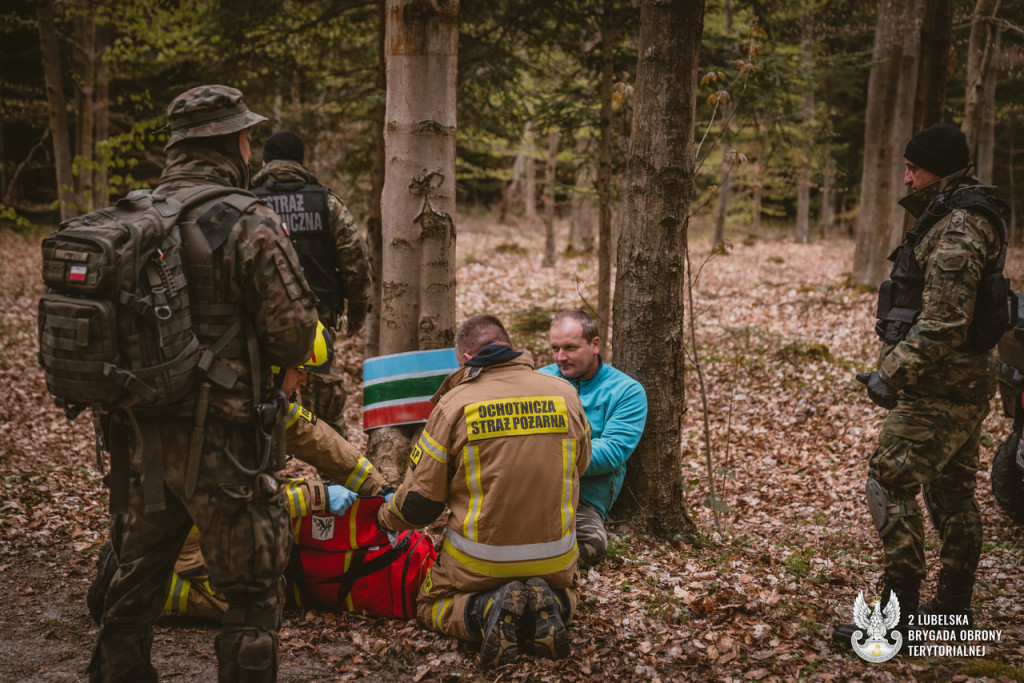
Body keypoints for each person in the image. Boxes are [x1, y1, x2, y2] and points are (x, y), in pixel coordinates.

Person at [88, 85, 320, 682]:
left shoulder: (128, 218)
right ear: (233, 143)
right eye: (247, 136)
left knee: (131, 592)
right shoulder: (248, 222)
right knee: (251, 596)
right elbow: (296, 336)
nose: (250, 145)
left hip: (135, 442)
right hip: (226, 445)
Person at [88, 321, 390, 626]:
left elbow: (318, 440)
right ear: (274, 368)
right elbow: (241, 500)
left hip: (199, 520)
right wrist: (318, 496)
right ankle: (137, 582)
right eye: (299, 372)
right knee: (261, 602)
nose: (303, 382)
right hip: (183, 531)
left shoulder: (257, 398)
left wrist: (378, 487)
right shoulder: (223, 413)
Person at [833, 123, 1008, 648]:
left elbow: (946, 322)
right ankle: (951, 612)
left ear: (941, 169)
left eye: (914, 167)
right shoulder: (957, 216)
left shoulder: (958, 226)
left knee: (889, 481)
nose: (906, 176)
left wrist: (893, 372)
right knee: (952, 492)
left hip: (941, 386)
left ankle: (898, 618)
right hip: (959, 382)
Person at [377, 314, 592, 667]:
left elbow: (420, 503)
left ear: (464, 359)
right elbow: (580, 468)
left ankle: (483, 609)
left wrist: (385, 516)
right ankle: (553, 604)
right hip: (554, 557)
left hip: (480, 561)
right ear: (509, 346)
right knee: (569, 589)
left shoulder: (454, 406)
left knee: (429, 604)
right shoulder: (565, 394)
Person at [251, 130, 371, 439]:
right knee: (327, 408)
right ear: (301, 162)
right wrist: (357, 311)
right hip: (317, 322)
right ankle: (342, 481)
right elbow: (355, 262)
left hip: (258, 322)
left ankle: (263, 478)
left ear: (265, 162)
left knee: (257, 404)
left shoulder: (247, 203)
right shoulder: (326, 203)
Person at [538, 309, 648, 567]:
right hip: (534, 489)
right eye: (555, 349)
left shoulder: (626, 391)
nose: (560, 358)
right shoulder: (540, 380)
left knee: (591, 544)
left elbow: (612, 452)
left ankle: (544, 576)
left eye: (570, 348)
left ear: (595, 345)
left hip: (583, 500)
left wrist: (547, 460)